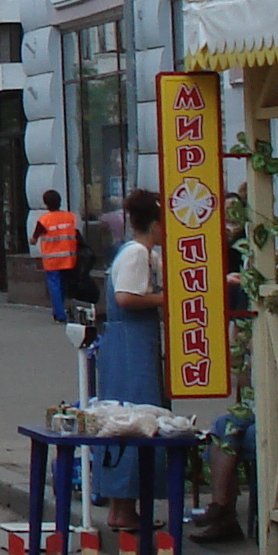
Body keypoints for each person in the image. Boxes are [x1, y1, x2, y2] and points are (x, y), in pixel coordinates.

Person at [92, 189, 169, 531]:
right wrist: (164, 298)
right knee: (136, 419)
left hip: (131, 341)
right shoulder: (137, 253)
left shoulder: (138, 252)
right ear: (155, 224)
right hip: (130, 345)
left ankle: (125, 506)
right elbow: (125, 297)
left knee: (128, 420)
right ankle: (123, 507)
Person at [29, 190, 79, 323]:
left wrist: (32, 240)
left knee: (54, 287)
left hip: (52, 260)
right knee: (63, 285)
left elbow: (34, 239)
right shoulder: (69, 217)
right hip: (68, 258)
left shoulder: (44, 220)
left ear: (46, 204)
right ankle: (62, 309)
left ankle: (59, 314)